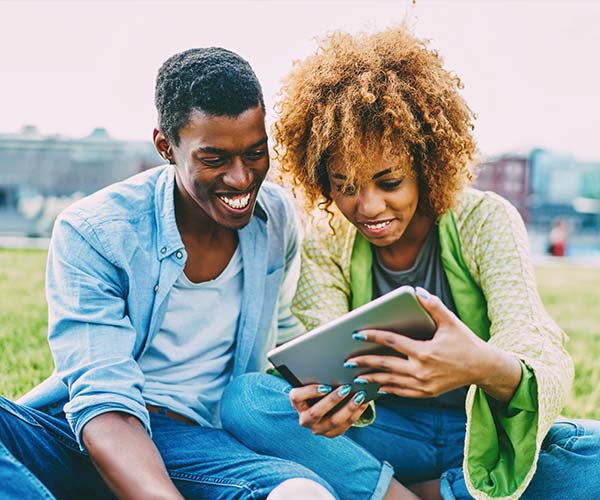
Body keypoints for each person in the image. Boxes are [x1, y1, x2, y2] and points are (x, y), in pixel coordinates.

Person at [220, 27, 600, 499]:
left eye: (389, 182)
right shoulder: (329, 242)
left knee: (593, 454)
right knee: (247, 401)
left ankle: (423, 491)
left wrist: (480, 365)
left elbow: (534, 343)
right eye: (346, 185)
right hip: (386, 434)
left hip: (476, 429)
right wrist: (331, 403)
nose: (368, 207)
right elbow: (323, 352)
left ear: (425, 164)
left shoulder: (485, 220)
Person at [0, 47, 336, 499]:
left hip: (200, 448)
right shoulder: (95, 231)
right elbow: (104, 404)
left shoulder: (275, 220)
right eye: (214, 159)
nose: (241, 179)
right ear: (166, 147)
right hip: (79, 434)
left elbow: (283, 332)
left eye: (255, 153)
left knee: (301, 492)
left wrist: (326, 387)